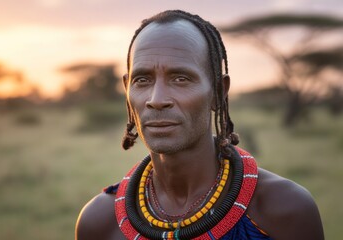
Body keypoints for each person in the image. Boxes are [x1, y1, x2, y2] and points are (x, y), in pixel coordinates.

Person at [75, 10, 324, 240]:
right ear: (127, 88)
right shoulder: (100, 221)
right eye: (142, 80)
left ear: (218, 91)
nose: (157, 99)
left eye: (181, 78)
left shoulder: (283, 211)